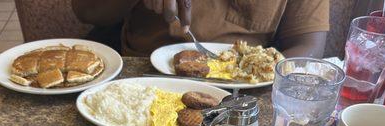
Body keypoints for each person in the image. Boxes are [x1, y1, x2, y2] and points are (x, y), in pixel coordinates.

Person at [72, 0, 329, 57]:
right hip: (139, 76)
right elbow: (86, 11)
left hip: (245, 99)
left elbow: (309, 44)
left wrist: (256, 72)